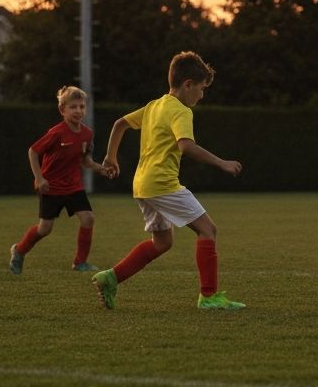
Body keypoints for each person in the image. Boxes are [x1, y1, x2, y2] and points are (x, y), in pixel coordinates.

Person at [92, 51, 246, 311]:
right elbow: (186, 146)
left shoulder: (155, 105)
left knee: (162, 243)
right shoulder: (181, 111)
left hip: (142, 185)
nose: (202, 95)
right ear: (188, 84)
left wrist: (111, 157)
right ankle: (209, 297)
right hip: (162, 184)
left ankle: (111, 277)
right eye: (201, 88)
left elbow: (119, 124)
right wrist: (222, 162)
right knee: (208, 230)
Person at [8, 85, 111, 275]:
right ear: (62, 110)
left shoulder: (87, 133)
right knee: (45, 228)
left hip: (73, 186)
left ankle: (80, 262)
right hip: (51, 187)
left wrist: (102, 170)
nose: (78, 111)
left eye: (81, 106)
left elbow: (85, 161)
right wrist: (39, 178)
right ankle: (19, 250)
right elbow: (33, 151)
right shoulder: (56, 133)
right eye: (73, 107)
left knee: (88, 218)